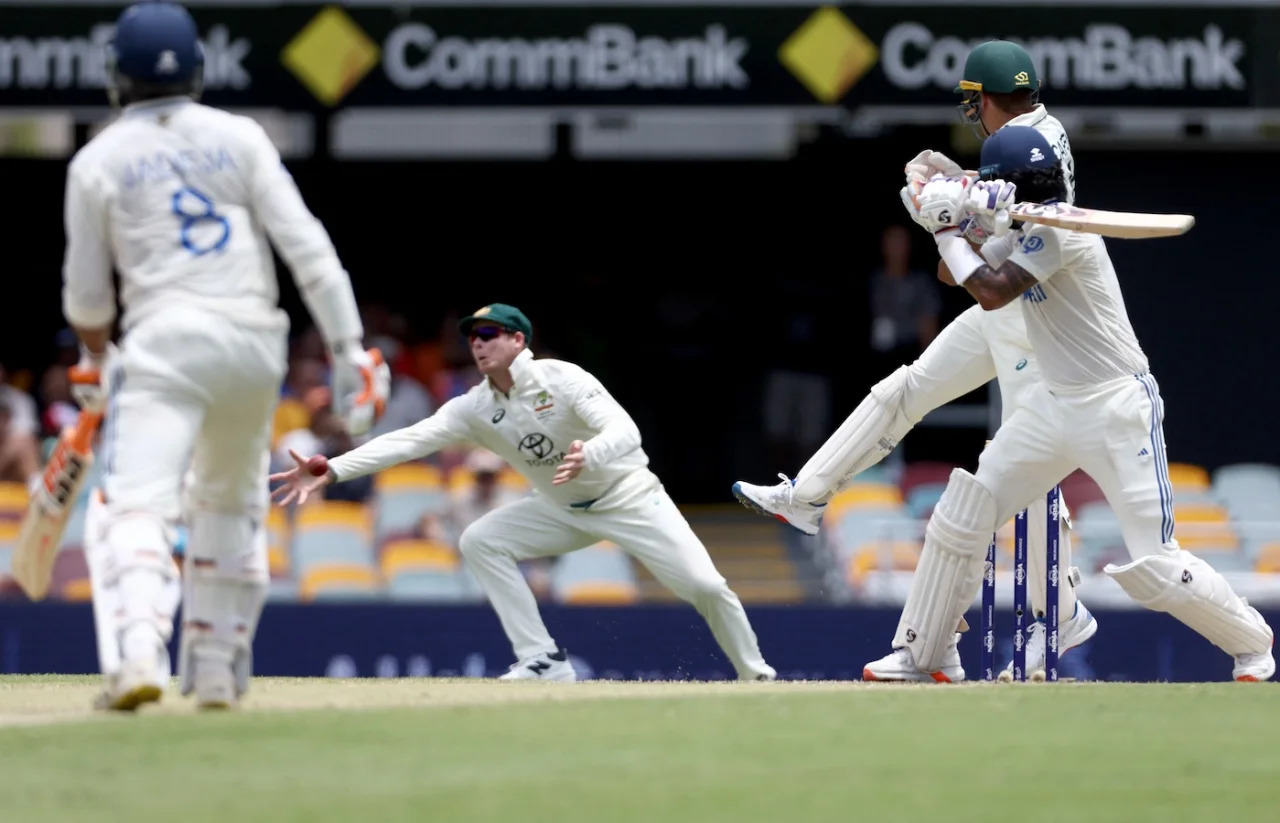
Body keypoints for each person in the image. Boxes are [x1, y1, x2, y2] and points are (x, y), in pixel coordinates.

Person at [61, 1, 388, 711]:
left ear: (117, 76)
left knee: (138, 505)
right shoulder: (240, 137)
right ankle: (213, 667)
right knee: (231, 501)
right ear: (200, 72)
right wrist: (347, 348)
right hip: (252, 343)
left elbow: (88, 300)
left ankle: (141, 653)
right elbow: (310, 251)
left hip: (164, 342)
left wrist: (92, 363)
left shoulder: (98, 159)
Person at [733, 40, 1093, 681]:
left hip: (1034, 317)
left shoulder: (1024, 144)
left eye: (972, 102)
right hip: (1003, 308)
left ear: (984, 97)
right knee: (908, 387)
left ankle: (1053, 616)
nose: (972, 114)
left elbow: (1004, 247)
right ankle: (808, 496)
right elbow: (969, 253)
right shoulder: (1031, 136)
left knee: (1011, 483)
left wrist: (951, 210)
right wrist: (947, 203)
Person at [863, 125, 1274, 683]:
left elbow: (990, 290)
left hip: (1115, 406)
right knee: (967, 509)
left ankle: (1252, 643)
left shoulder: (1063, 235)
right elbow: (951, 273)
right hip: (1052, 407)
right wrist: (958, 220)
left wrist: (947, 231)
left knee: (1157, 563)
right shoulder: (1023, 225)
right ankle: (924, 654)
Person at [270, 303, 777, 682]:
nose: (477, 343)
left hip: (630, 498)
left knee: (707, 588)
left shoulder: (564, 380)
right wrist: (331, 470)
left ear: (518, 340)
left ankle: (756, 675)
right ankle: (542, 659)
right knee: (479, 540)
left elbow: (626, 432)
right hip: (559, 509)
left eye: (489, 334)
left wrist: (591, 454)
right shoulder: (474, 407)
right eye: (472, 337)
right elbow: (408, 440)